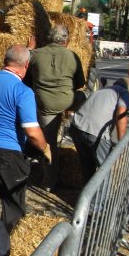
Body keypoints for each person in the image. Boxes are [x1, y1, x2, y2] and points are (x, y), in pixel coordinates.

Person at [0, 44, 51, 232]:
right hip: (5, 151)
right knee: (13, 205)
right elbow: (31, 131)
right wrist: (45, 148)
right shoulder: (22, 91)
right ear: (26, 65)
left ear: (6, 61)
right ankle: (5, 244)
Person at [25, 24, 85, 191]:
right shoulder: (72, 56)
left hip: (45, 106)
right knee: (85, 96)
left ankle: (48, 182)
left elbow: (25, 78)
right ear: (65, 41)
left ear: (49, 39)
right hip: (68, 101)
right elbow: (80, 83)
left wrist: (29, 49)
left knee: (49, 144)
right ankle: (81, 127)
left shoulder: (35, 55)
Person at [68, 77, 129, 184]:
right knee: (104, 169)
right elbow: (121, 113)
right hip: (95, 132)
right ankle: (101, 200)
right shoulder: (123, 92)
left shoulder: (101, 91)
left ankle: (86, 199)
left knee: (87, 164)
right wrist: (122, 141)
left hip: (76, 127)